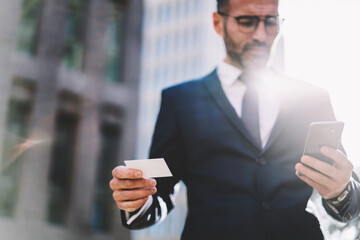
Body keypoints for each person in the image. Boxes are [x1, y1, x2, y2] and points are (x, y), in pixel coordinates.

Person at [109, 0, 360, 239]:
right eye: (247, 21)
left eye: (271, 21)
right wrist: (136, 198)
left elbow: (351, 199)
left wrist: (340, 191)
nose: (260, 35)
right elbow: (159, 193)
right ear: (218, 23)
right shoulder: (179, 101)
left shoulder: (312, 99)